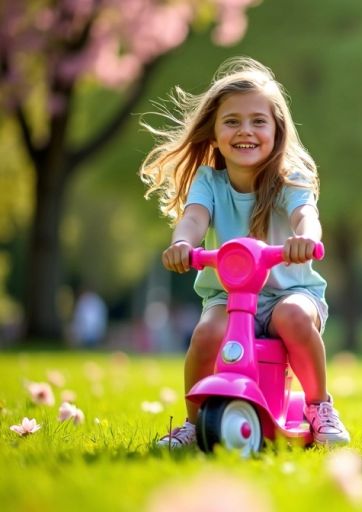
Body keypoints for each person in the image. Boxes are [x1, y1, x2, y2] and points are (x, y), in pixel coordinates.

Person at [138, 57, 349, 448]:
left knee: (293, 318)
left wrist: (305, 238)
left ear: (277, 130)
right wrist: (182, 243)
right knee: (206, 335)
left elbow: (307, 214)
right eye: (232, 121)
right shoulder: (209, 181)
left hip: (291, 291)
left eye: (258, 121)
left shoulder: (289, 178)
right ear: (214, 133)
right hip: (229, 296)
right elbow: (194, 218)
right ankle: (194, 421)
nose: (245, 131)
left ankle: (319, 406)